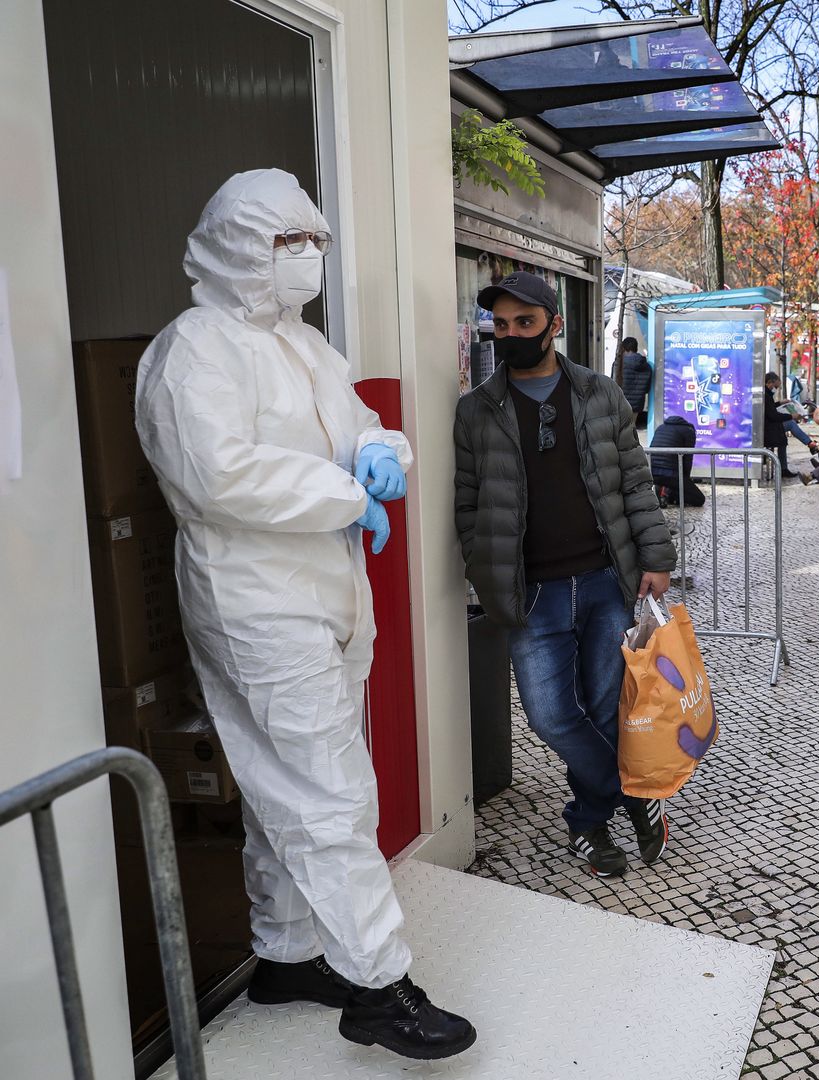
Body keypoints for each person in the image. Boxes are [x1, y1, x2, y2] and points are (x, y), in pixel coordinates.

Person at [134, 169, 475, 1058]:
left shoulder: (304, 343)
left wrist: (377, 453)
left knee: (285, 786)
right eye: (291, 242)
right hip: (255, 601)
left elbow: (360, 420)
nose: (310, 258)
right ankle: (379, 984)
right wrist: (339, 492)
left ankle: (286, 955)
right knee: (326, 793)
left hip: (325, 591)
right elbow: (216, 474)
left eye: (315, 241)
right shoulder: (192, 351)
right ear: (242, 246)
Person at [455, 270, 677, 882]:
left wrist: (656, 559)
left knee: (605, 710)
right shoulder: (476, 411)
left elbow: (634, 482)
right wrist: (487, 572)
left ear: (554, 324)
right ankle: (634, 794)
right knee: (551, 717)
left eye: (524, 323)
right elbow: (468, 505)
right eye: (500, 326)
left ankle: (586, 823)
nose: (511, 335)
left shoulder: (600, 395)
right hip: (532, 596)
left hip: (606, 582)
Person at [649, 413, 706, 507]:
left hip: (652, 471)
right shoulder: (688, 431)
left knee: (672, 485)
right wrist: (685, 479)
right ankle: (671, 496)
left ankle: (663, 495)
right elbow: (688, 458)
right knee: (699, 499)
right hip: (671, 474)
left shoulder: (661, 427)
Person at [613, 336, 654, 430]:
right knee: (631, 428)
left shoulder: (619, 363)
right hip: (637, 404)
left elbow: (613, 382)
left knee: (619, 430)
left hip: (621, 402)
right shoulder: (646, 366)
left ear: (624, 348)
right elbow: (647, 388)